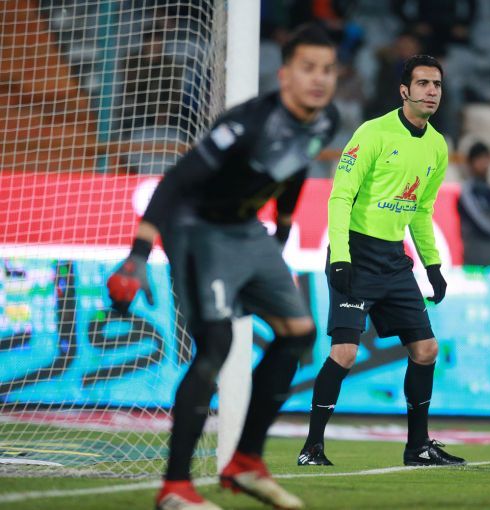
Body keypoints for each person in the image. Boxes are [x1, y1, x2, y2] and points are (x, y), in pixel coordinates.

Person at [106, 25, 339, 510]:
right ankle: (175, 487)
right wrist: (137, 255)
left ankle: (245, 463)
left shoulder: (326, 121)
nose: (319, 79)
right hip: (196, 227)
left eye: (327, 69)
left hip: (247, 229)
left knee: (299, 333)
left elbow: (295, 167)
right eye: (308, 68)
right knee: (216, 345)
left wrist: (282, 231)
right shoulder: (247, 124)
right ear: (285, 75)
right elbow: (175, 181)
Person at [297, 54, 465, 467]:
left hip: (393, 259)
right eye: (423, 83)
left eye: (437, 85)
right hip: (355, 254)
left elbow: (421, 210)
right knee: (345, 353)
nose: (431, 91)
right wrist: (340, 256)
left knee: (426, 349)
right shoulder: (373, 133)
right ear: (404, 90)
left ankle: (418, 447)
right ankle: (312, 447)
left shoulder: (437, 145)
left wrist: (432, 266)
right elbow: (340, 196)